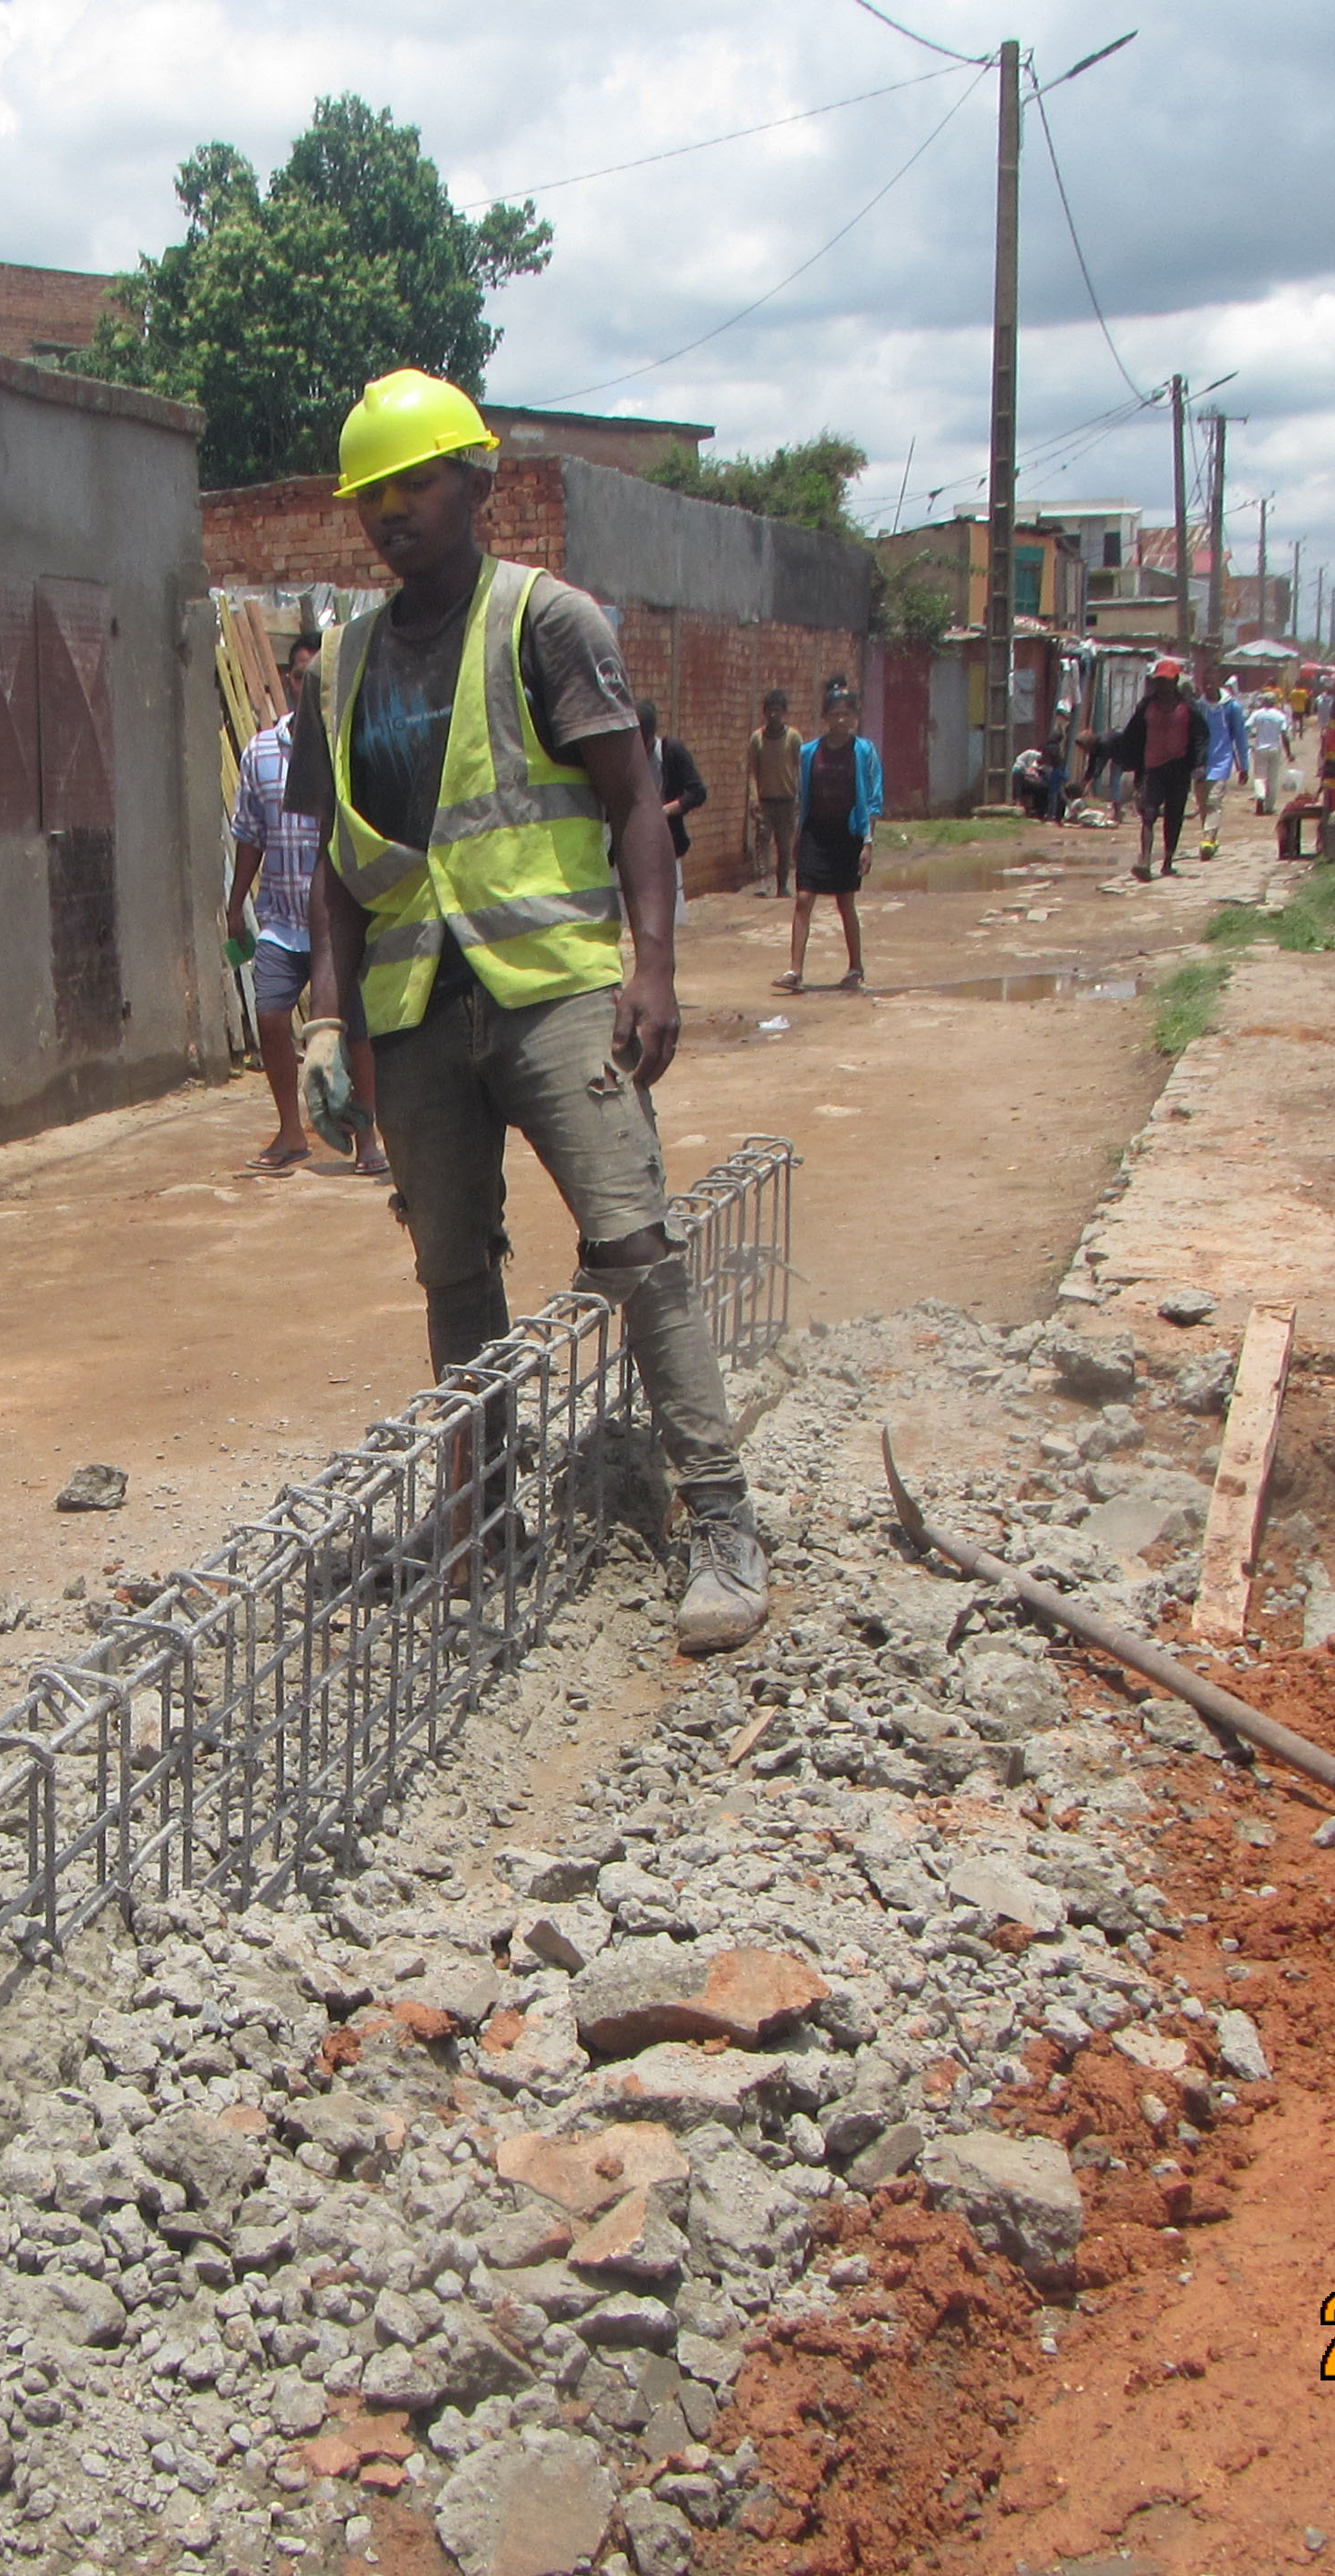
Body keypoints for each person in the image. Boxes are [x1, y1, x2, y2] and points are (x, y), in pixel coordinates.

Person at [284, 368, 766, 1659]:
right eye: (373, 498)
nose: (394, 516)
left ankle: (720, 1521)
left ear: (478, 484)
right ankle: (485, 1517)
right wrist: (330, 1024)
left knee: (631, 1245)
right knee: (453, 1273)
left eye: (418, 487)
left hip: (554, 993)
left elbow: (633, 805)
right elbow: (340, 865)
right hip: (419, 1011)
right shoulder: (340, 664)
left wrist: (651, 968)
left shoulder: (547, 624)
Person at [226, 698, 383, 1175]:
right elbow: (251, 835)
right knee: (271, 1017)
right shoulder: (261, 753)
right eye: (301, 676)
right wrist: (236, 906)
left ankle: (368, 1138)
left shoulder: (351, 749)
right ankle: (291, 1132)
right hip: (280, 920)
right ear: (294, 682)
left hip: (338, 923)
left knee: (355, 1032)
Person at [783, 684, 882, 992]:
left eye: (846, 714)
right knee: (803, 898)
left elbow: (873, 800)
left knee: (845, 901)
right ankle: (794, 971)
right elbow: (803, 797)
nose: (841, 720)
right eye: (835, 714)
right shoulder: (810, 753)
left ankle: (855, 967)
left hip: (848, 834)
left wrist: (868, 843)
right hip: (815, 832)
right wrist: (798, 837)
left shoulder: (864, 752)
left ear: (855, 717)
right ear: (825, 717)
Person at [1110, 657, 1199, 879]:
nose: (1162, 686)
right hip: (1153, 768)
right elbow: (1133, 736)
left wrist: (1200, 763)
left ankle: (1168, 861)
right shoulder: (1146, 707)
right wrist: (1131, 764)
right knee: (1148, 814)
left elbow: (1200, 737)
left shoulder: (1187, 707)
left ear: (1175, 681)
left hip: (1179, 768)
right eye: (1159, 681)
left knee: (1174, 815)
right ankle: (1146, 860)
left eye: (1166, 681)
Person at [634, 696, 707, 865]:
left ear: (652, 735)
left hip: (667, 843)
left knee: (668, 890)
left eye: (643, 741)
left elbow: (698, 792)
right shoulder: (624, 759)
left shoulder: (671, 752)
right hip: (633, 843)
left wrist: (663, 811)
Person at [745, 686, 800, 897]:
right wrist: (753, 798)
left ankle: (782, 885)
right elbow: (752, 772)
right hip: (765, 800)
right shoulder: (757, 739)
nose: (773, 715)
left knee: (785, 846)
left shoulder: (793, 738)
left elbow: (800, 768)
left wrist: (800, 798)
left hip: (787, 799)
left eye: (777, 710)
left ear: (784, 712)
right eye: (770, 710)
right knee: (762, 842)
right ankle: (762, 882)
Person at [1196, 673, 1244, 859]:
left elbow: (1239, 736)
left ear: (1218, 682)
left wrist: (1243, 766)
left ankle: (1208, 839)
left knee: (1214, 801)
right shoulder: (1198, 707)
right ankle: (1210, 837)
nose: (1208, 685)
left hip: (1222, 761)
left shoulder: (1232, 707)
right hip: (1200, 763)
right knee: (1202, 803)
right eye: (1205, 682)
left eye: (1212, 681)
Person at [1245, 689, 1292, 815]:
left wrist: (1246, 741)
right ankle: (1269, 807)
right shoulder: (1280, 715)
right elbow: (1284, 735)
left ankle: (1260, 796)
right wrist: (1289, 753)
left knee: (1259, 776)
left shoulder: (1257, 714)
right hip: (1275, 748)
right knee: (1273, 778)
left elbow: (1246, 727)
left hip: (1260, 748)